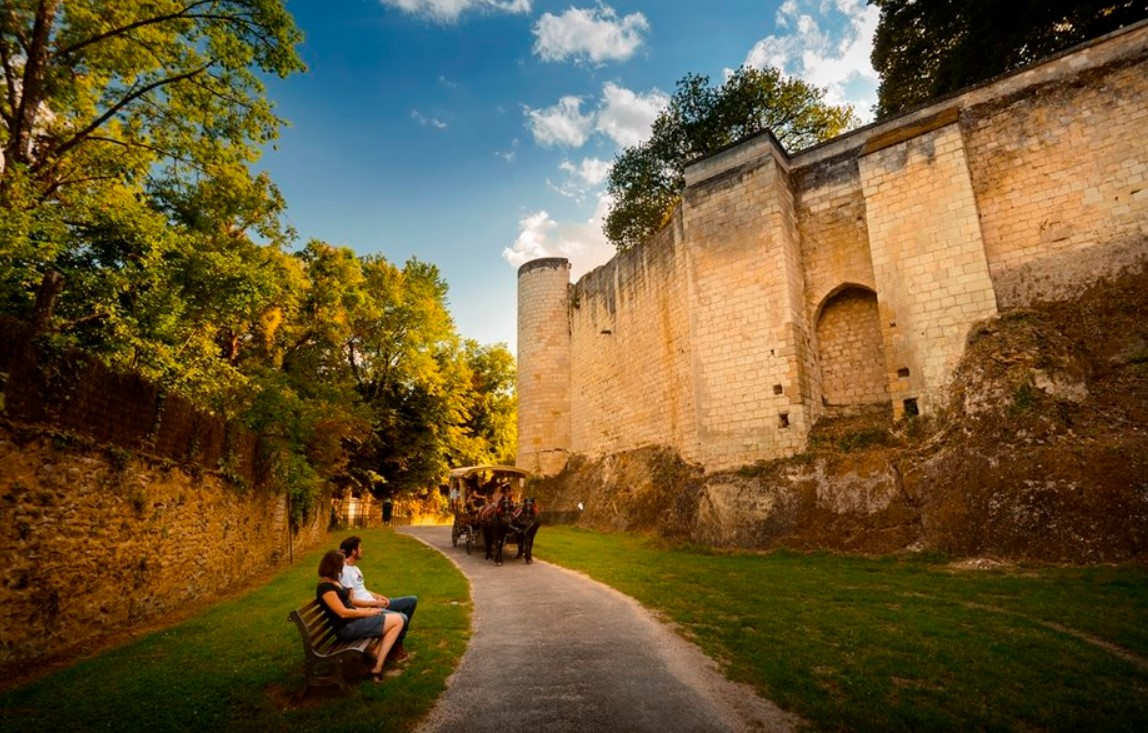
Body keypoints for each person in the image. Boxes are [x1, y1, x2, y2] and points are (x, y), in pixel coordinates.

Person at [315, 550, 403, 683]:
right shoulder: (325, 588)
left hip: (353, 621)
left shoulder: (334, 582)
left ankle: (374, 657)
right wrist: (367, 613)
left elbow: (348, 605)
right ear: (335, 566)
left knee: (397, 619)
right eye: (342, 563)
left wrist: (367, 608)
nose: (344, 566)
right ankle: (376, 666)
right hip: (346, 628)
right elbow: (343, 612)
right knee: (397, 620)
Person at [339, 536, 418, 663]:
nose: (362, 550)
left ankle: (395, 645)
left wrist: (378, 595)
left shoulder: (355, 568)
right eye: (360, 547)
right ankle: (395, 649)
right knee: (402, 617)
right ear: (353, 551)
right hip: (368, 608)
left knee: (411, 601)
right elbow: (351, 601)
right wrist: (375, 603)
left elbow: (362, 589)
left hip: (374, 603)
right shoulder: (345, 572)